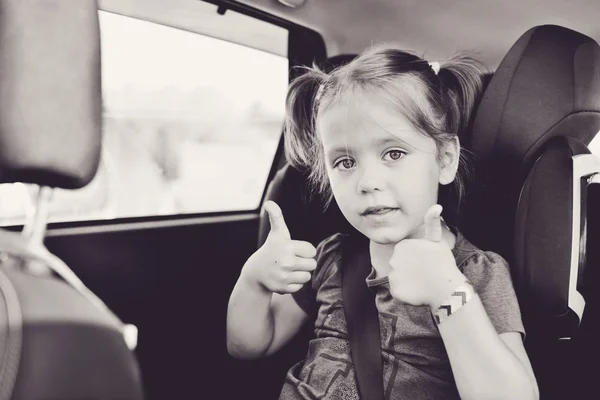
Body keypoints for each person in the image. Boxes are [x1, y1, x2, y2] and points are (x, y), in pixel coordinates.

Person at [226, 46, 539, 400]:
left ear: (445, 159)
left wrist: (447, 292)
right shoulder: (331, 258)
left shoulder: (476, 273)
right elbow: (249, 346)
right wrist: (253, 281)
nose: (367, 182)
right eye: (345, 162)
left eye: (394, 153)